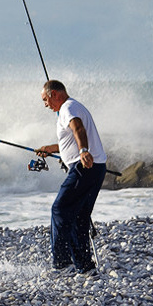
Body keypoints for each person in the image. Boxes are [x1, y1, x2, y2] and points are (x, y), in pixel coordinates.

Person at [36, 79, 107, 275]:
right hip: (96, 167)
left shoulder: (68, 107)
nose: (45, 105)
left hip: (83, 167)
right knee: (79, 217)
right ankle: (85, 267)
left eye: (45, 100)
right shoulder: (72, 107)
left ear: (54, 94)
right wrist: (50, 149)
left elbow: (78, 129)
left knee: (60, 209)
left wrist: (83, 151)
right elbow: (71, 138)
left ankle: (61, 264)